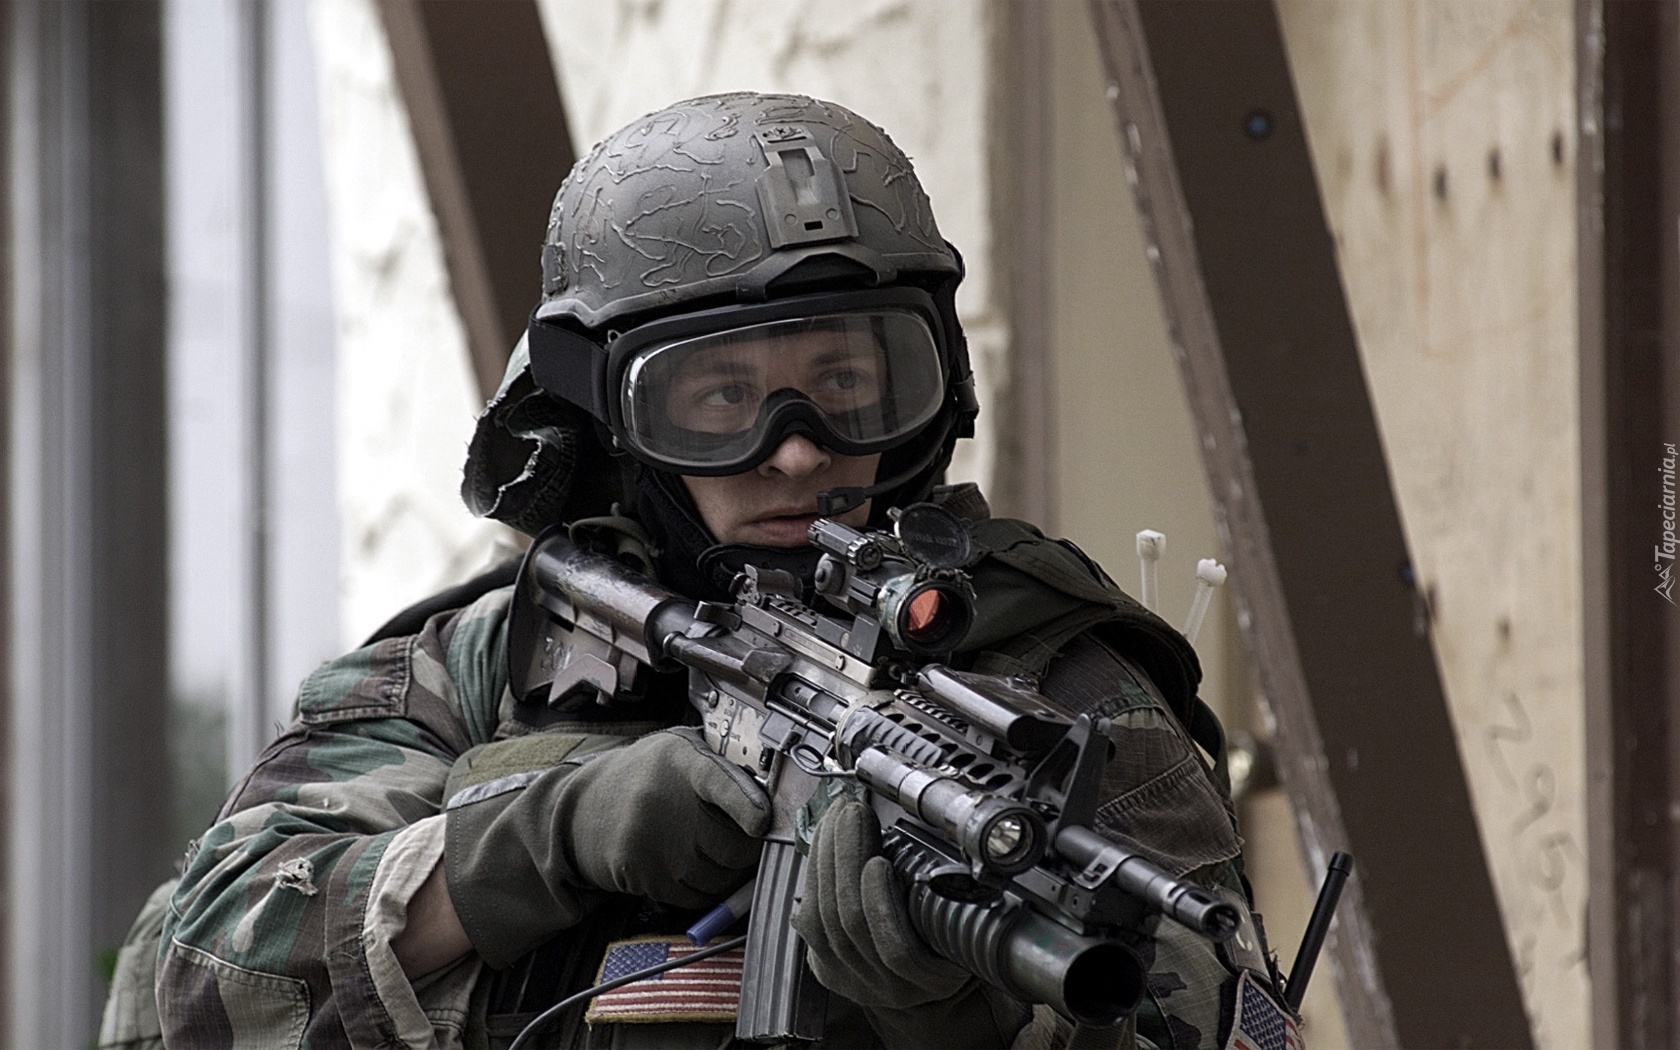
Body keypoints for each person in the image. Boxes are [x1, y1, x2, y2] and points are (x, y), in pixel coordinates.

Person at [135, 92, 1286, 1050]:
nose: (799, 451)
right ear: (614, 423)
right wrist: (544, 836)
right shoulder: (488, 665)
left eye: (848, 384)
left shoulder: (1055, 681)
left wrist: (955, 1011)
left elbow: (1216, 1008)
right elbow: (189, 994)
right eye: (722, 398)